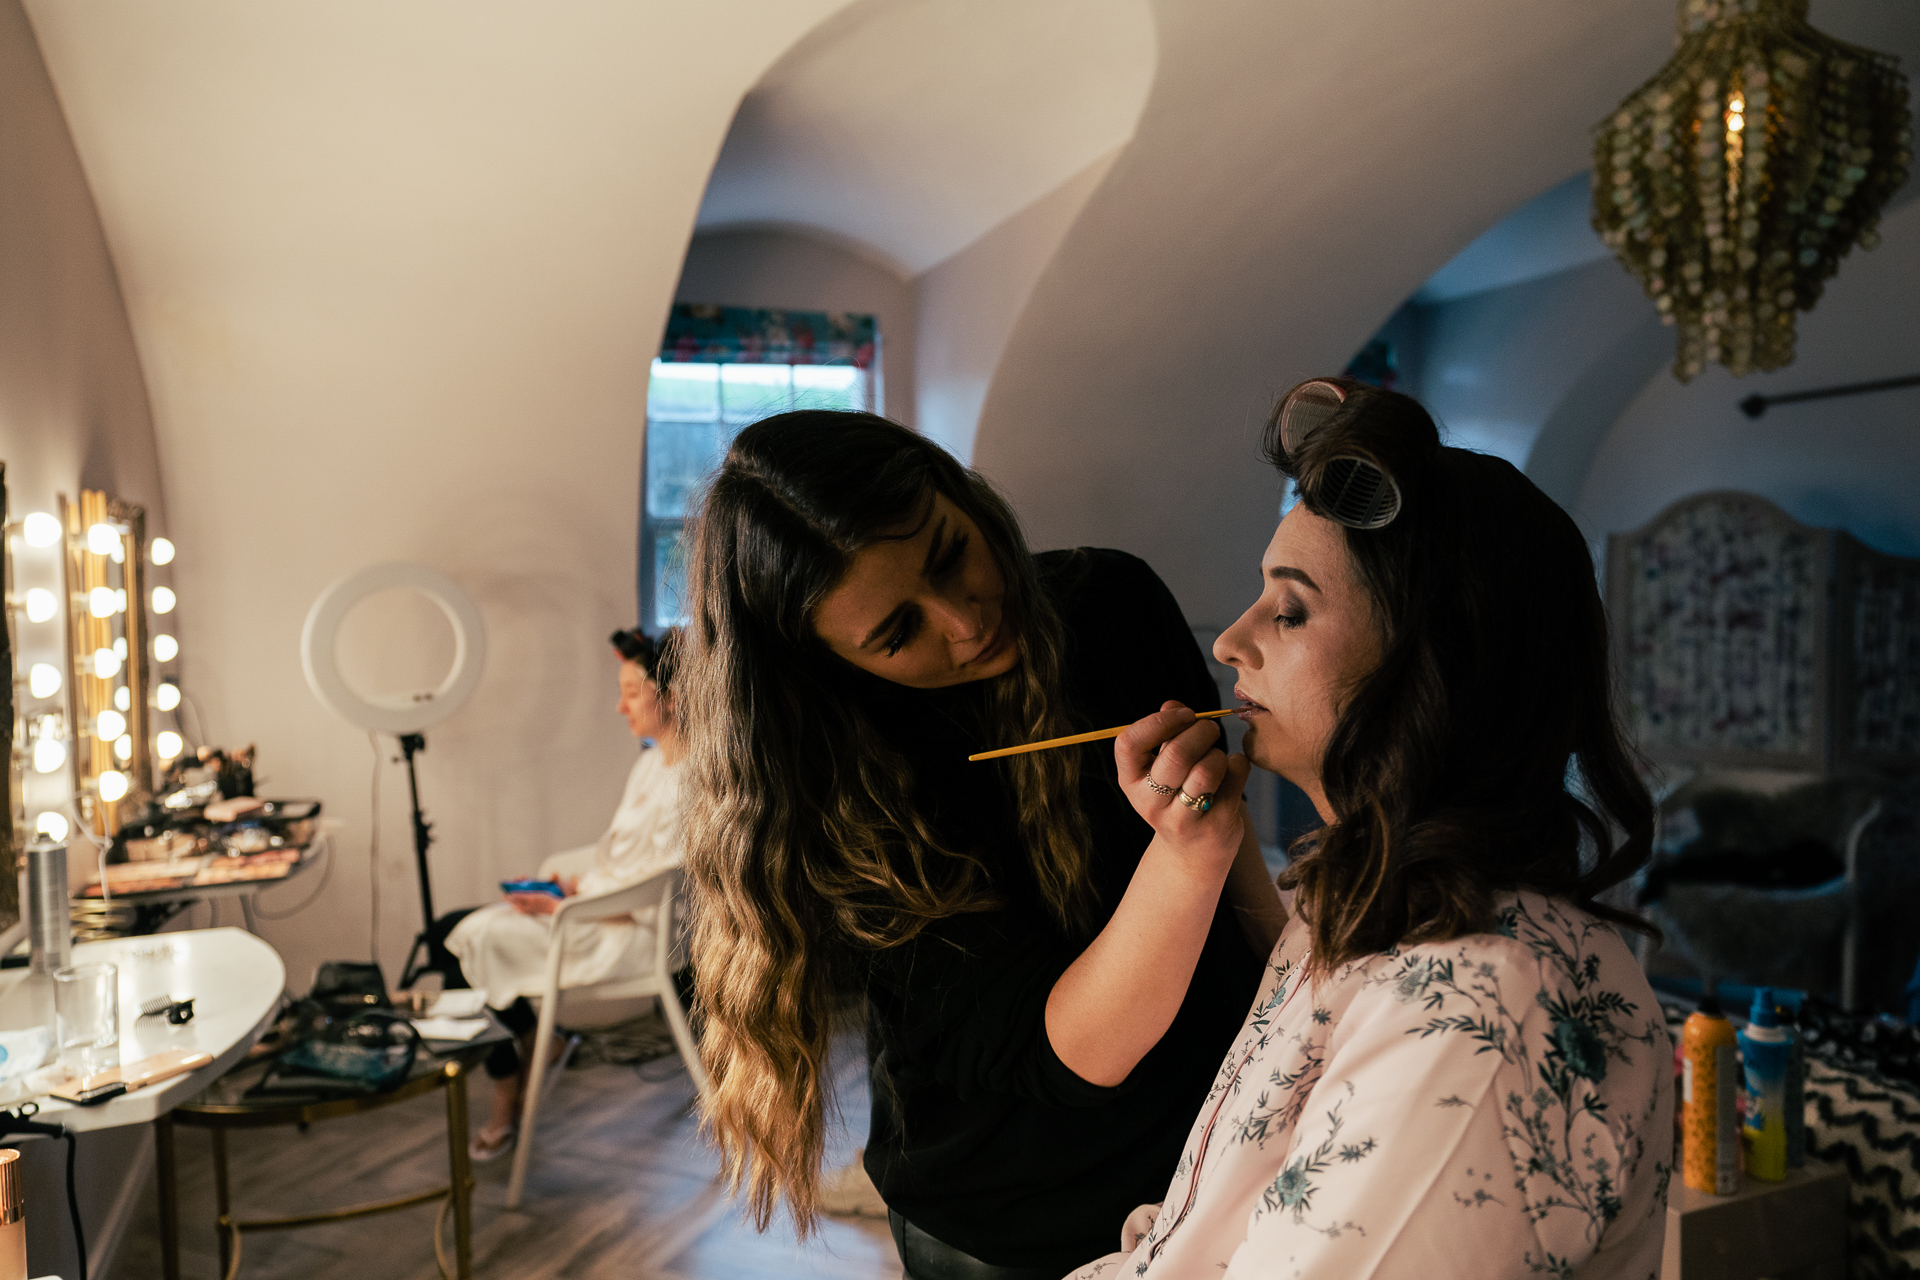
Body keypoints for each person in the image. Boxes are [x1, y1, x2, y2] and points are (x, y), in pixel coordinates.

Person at [1067, 378, 1673, 1279]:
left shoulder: (1484, 1010)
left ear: (1433, 661)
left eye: (1292, 607)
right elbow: (1221, 1210)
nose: (1229, 642)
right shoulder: (1352, 904)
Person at [677, 412, 1278, 1279]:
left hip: (1215, 1142)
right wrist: (1187, 857)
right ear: (826, 665)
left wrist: (1294, 989)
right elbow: (1076, 1050)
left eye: (949, 553)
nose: (963, 621)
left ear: (960, 493)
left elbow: (1232, 841)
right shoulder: (839, 792)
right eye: (897, 634)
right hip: (1018, 1220)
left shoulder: (1110, 600)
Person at [444, 627, 686, 1161]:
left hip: (629, 934)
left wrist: (567, 904)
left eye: (630, 692)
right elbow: (624, 859)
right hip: (599, 911)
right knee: (454, 927)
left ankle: (510, 1089)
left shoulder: (692, 778)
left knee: (457, 940)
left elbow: (662, 878)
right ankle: (537, 1044)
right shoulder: (651, 763)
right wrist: (572, 886)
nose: (619, 706)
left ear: (669, 697)